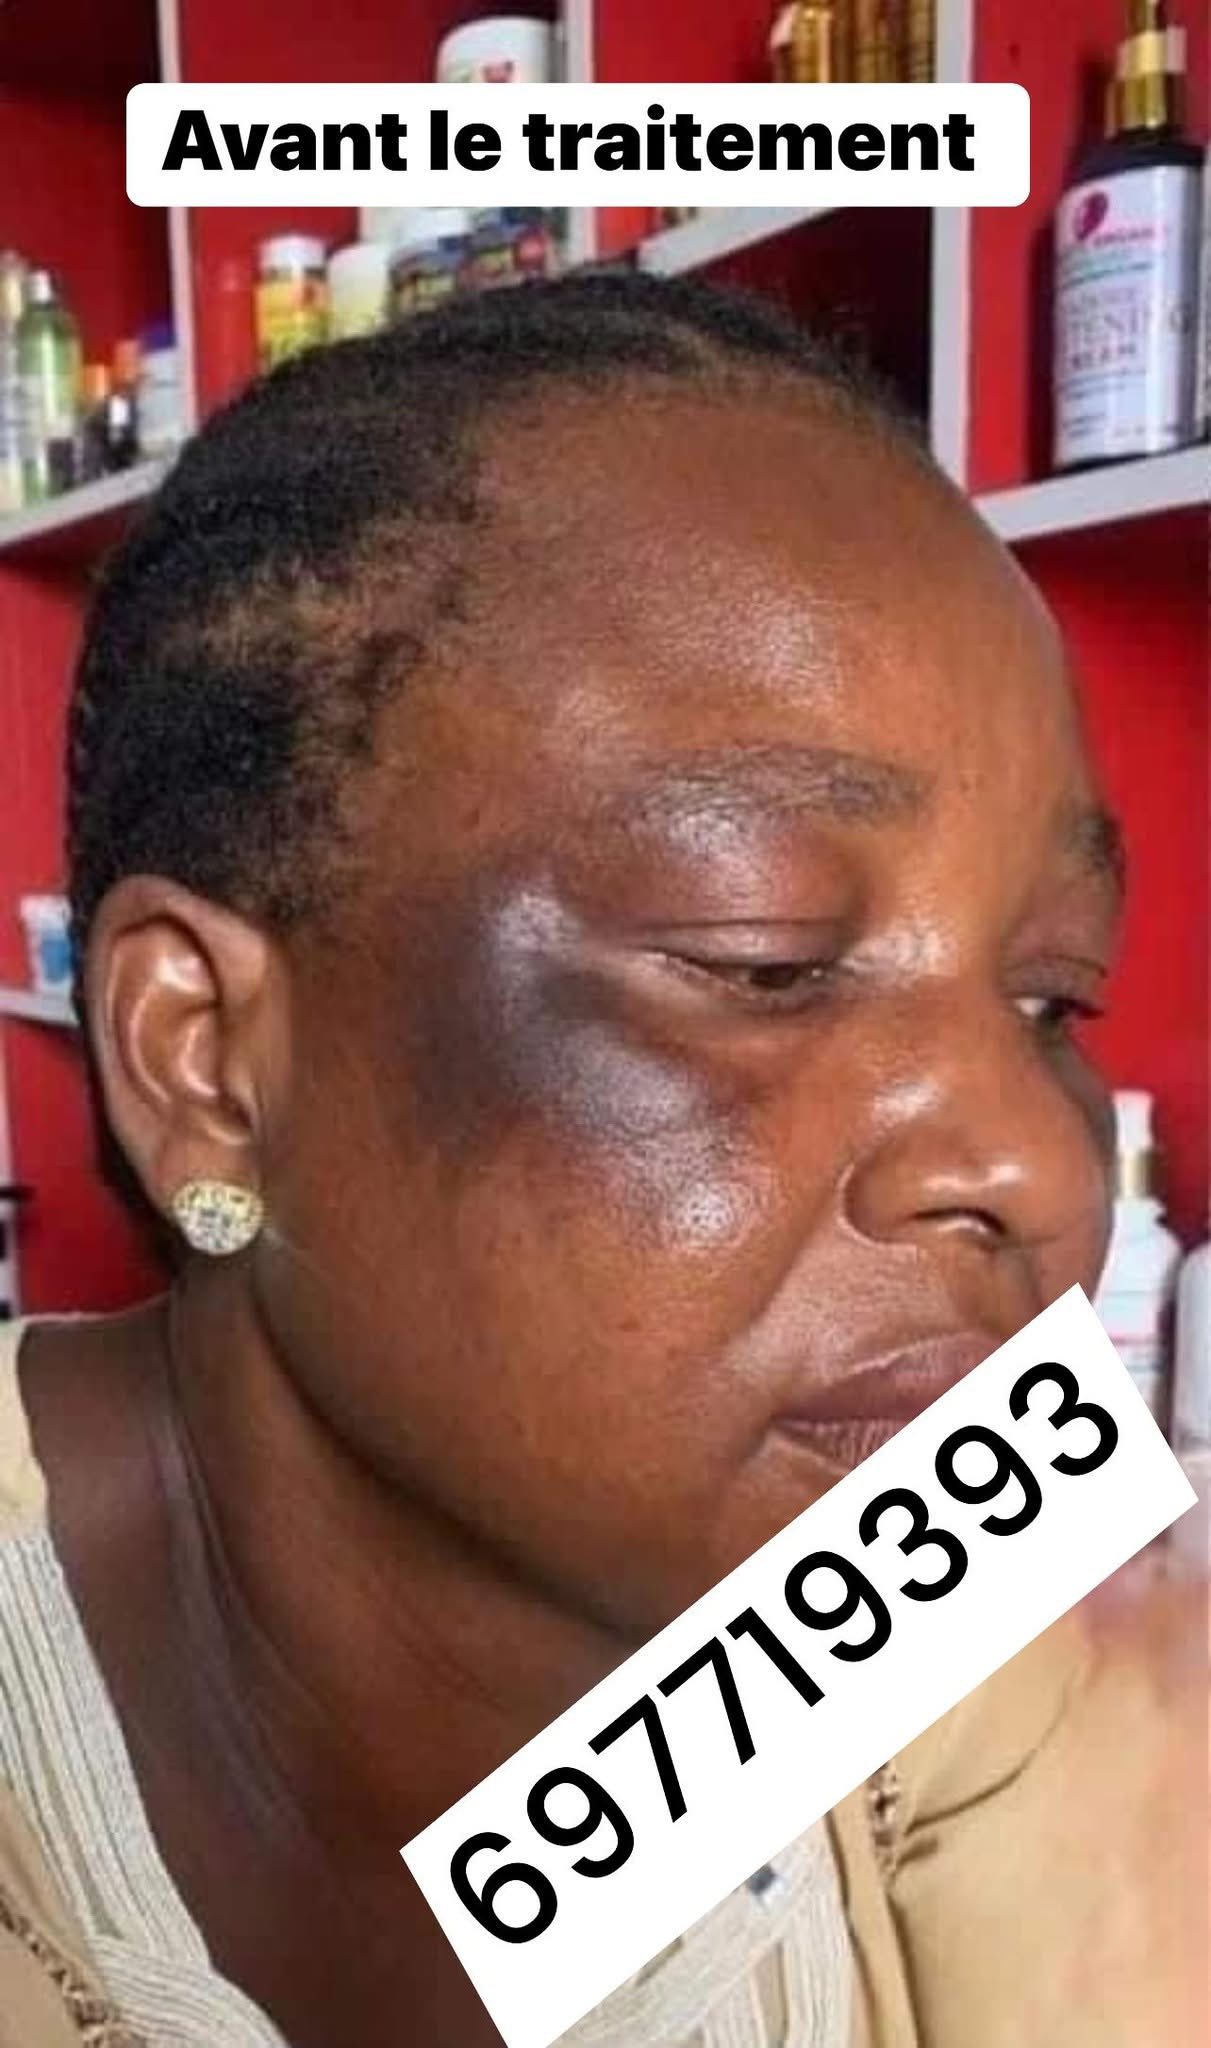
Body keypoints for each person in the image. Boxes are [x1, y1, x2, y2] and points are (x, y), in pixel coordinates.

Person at [0, 274, 1204, 2048]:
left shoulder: (961, 1538)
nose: (1033, 1164)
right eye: (763, 962)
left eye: (1052, 998)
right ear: (207, 1059)